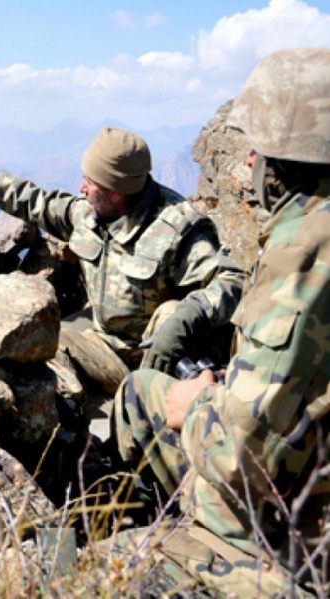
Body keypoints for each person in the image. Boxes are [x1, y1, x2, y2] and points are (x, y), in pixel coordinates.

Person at [111, 47, 330, 595]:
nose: (247, 166)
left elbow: (239, 458)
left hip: (303, 537)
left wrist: (199, 403)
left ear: (283, 162)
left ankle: (160, 548)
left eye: (256, 151)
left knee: (140, 398)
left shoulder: (306, 254)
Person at [0, 128, 244, 394]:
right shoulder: (90, 214)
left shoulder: (178, 228)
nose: (81, 188)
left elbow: (232, 281)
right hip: (110, 351)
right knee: (46, 346)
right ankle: (70, 430)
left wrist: (185, 318)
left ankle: (157, 419)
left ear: (117, 192)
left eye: (90, 183)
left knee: (172, 312)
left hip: (164, 364)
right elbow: (36, 202)